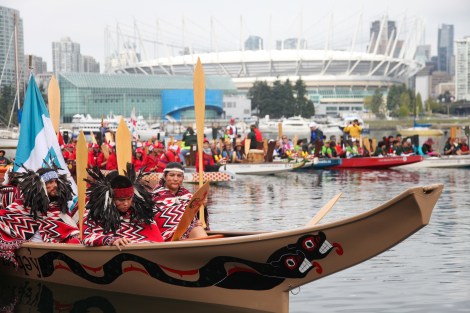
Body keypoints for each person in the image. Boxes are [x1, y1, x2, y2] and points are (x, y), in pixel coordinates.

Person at [0, 166, 80, 265]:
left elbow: (70, 230)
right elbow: (4, 216)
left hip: (56, 252)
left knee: (75, 241)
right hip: (32, 252)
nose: (55, 185)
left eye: (56, 181)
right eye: (50, 182)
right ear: (40, 185)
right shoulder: (24, 205)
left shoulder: (58, 208)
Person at [82, 165, 163, 249]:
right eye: (121, 200)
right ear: (111, 198)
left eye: (129, 198)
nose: (126, 203)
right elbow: (87, 237)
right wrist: (110, 240)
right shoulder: (95, 211)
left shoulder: (142, 212)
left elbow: (156, 239)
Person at [152, 162, 208, 241]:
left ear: (182, 178)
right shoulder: (154, 197)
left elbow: (197, 218)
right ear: (164, 177)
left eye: (179, 176)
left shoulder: (188, 196)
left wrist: (202, 206)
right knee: (196, 229)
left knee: (197, 228)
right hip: (167, 237)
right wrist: (187, 226)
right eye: (172, 175)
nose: (175, 179)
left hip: (190, 233)